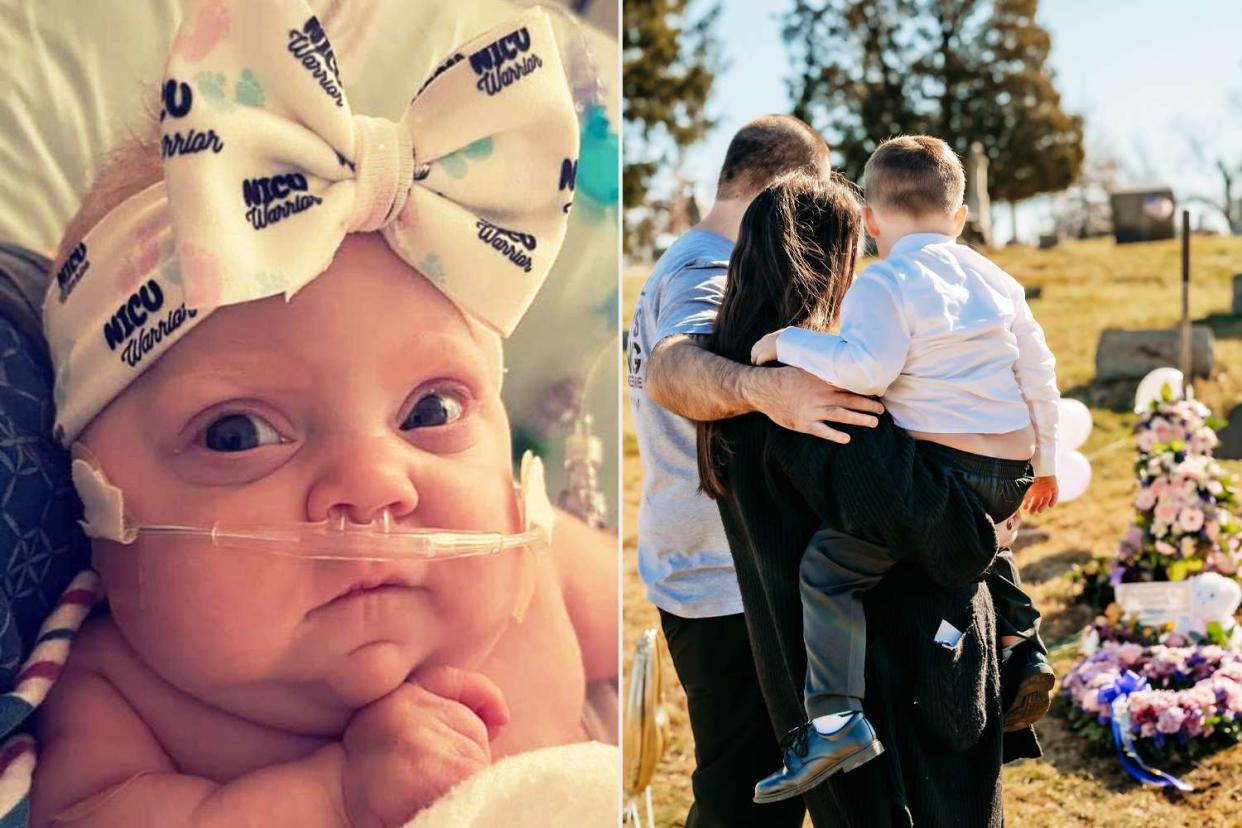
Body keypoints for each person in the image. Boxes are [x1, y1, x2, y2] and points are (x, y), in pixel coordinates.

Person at [29, 5, 617, 826]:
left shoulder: (534, 571)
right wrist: (330, 797)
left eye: (432, 409)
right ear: (97, 501)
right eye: (237, 434)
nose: (373, 483)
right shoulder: (121, 693)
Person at [697, 172, 1036, 826]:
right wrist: (990, 533)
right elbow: (944, 535)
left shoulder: (733, 384)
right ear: (835, 260)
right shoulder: (821, 403)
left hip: (810, 693)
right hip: (905, 698)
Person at [626, 114, 883, 827]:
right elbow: (674, 371)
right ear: (781, 190)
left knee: (756, 791)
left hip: (707, 571)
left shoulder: (689, 254)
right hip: (724, 586)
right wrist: (771, 391)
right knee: (748, 801)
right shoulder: (708, 265)